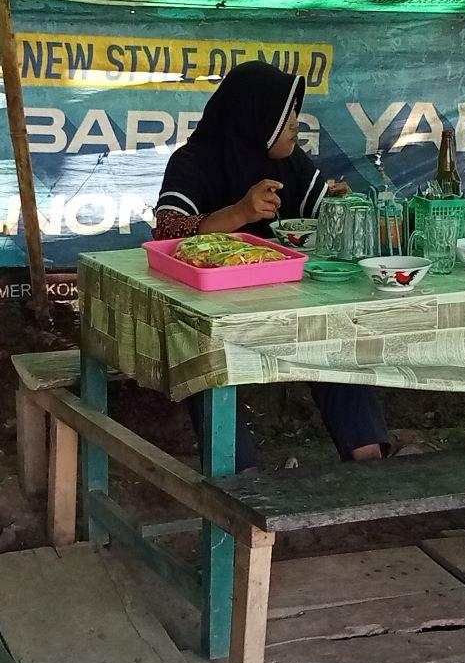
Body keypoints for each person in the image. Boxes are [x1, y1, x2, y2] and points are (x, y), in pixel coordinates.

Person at [153, 60, 392, 464]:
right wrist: (239, 213)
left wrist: (341, 205)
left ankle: (367, 457)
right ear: (254, 117)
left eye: (295, 113)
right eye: (286, 116)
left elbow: (321, 213)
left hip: (286, 304)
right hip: (214, 313)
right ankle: (240, 477)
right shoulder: (194, 161)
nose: (296, 124)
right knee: (199, 356)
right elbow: (167, 232)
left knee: (333, 338)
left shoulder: (289, 162)